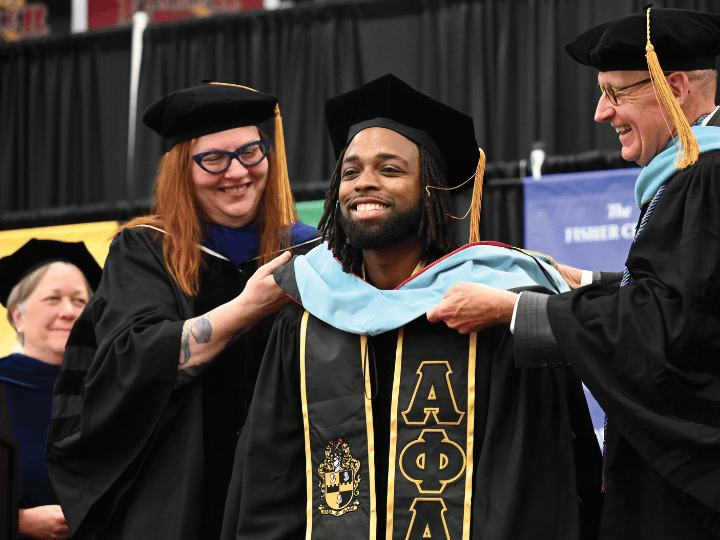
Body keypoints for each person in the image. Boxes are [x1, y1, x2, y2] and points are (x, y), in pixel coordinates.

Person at [220, 73, 602, 540]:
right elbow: (269, 479)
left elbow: (528, 482)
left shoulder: (492, 307)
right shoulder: (308, 313)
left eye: (390, 170)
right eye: (351, 171)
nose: (364, 184)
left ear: (432, 190)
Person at [427, 7, 720, 540]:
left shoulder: (706, 177)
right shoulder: (692, 176)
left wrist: (514, 308)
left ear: (674, 87)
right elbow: (693, 302)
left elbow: (666, 330)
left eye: (616, 92)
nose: (600, 113)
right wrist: (582, 281)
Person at [46, 82, 320, 540]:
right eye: (213, 158)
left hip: (290, 492)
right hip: (179, 498)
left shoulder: (310, 251)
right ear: (182, 169)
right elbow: (129, 361)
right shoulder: (146, 250)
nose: (237, 172)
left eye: (251, 152)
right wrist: (246, 308)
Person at [0, 239, 101, 540]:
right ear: (18, 316)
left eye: (80, 301)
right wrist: (15, 522)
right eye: (52, 299)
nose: (69, 312)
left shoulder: (113, 388)